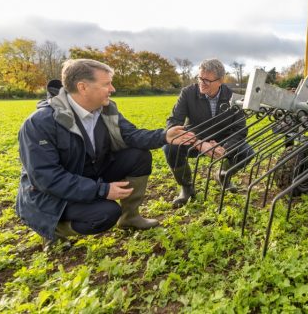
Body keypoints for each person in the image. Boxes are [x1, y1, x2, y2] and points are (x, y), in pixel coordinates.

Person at [15, 59, 195, 249]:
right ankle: (52, 229)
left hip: (89, 172)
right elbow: (46, 178)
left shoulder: (105, 110)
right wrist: (102, 190)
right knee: (106, 214)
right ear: (83, 87)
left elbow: (131, 135)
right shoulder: (40, 123)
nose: (113, 88)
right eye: (106, 84)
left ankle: (130, 218)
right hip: (51, 195)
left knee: (139, 156)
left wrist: (165, 136)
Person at [164, 58, 255, 207]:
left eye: (207, 80)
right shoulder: (188, 93)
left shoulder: (234, 98)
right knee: (170, 148)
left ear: (220, 81)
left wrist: (225, 147)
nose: (201, 82)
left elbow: (240, 130)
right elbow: (173, 123)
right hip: (195, 138)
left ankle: (223, 175)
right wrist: (198, 143)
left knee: (247, 152)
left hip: (223, 140)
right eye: (200, 78)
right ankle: (186, 188)